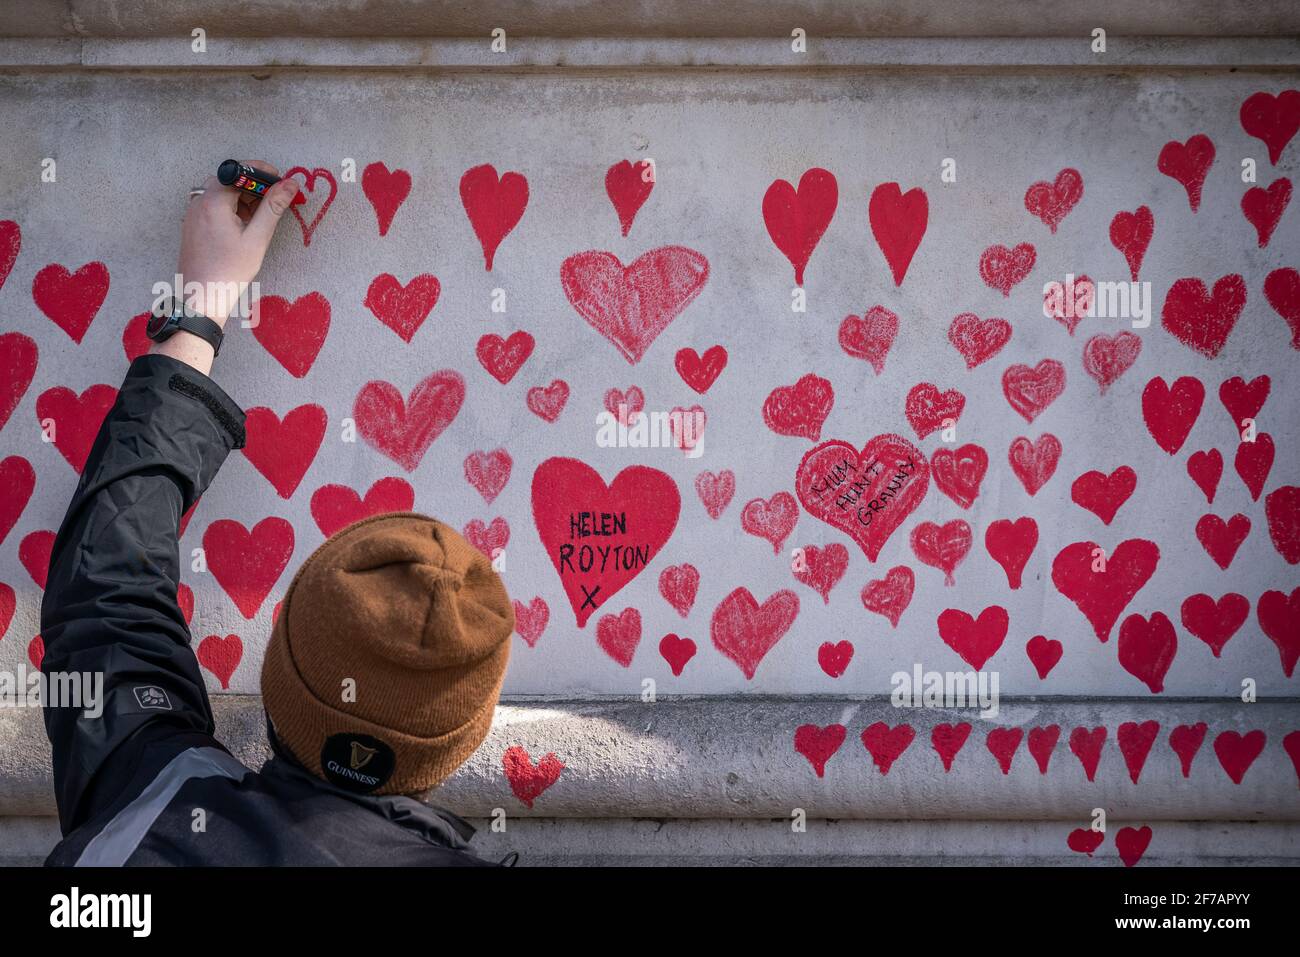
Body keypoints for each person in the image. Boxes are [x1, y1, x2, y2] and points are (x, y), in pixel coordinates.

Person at [38, 162, 516, 866]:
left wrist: (197, 311)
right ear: (465, 737)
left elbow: (107, 593)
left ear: (278, 670)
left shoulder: (147, 804)